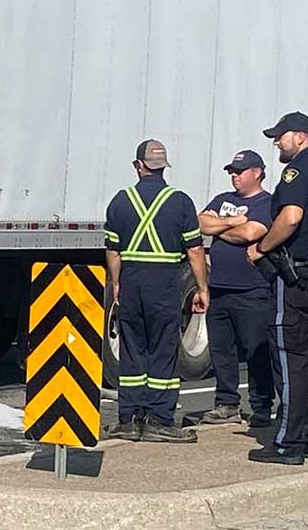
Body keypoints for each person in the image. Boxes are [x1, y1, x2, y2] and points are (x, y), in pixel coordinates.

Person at [247, 112, 308, 464]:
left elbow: (290, 217)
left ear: (301, 137)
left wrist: (262, 248)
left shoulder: (296, 172)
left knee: (291, 359)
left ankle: (289, 443)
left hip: (296, 279)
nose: (276, 142)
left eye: (281, 136)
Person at [104, 139, 209, 443]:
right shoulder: (180, 201)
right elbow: (194, 251)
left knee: (132, 349)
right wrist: (201, 288)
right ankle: (160, 420)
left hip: (133, 282)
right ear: (163, 167)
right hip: (164, 284)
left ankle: (129, 418)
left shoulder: (121, 201)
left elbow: (113, 250)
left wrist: (117, 282)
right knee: (163, 351)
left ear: (138, 166)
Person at [198, 150, 274, 427]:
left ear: (257, 172)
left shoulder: (267, 202)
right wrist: (231, 222)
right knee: (221, 350)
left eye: (240, 171)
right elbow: (200, 223)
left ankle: (262, 405)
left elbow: (252, 233)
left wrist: (220, 228)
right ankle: (226, 403)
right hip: (218, 287)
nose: (234, 176)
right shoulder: (223, 200)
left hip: (251, 290)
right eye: (231, 171)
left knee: (255, 350)